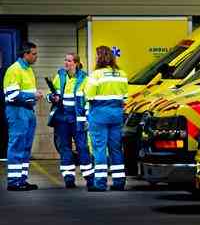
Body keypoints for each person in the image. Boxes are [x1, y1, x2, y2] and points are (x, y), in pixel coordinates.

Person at [47, 53, 94, 189]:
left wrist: (87, 119)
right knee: (65, 148)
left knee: (83, 148)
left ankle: (89, 179)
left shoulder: (84, 79)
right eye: (65, 60)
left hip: (77, 120)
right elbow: (50, 95)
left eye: (69, 61)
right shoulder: (60, 76)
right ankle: (68, 179)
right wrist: (52, 97)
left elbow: (88, 101)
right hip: (62, 119)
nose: (66, 63)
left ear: (76, 63)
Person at [86, 45, 128, 191]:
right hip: (116, 114)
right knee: (116, 148)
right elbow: (125, 96)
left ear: (99, 58)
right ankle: (119, 182)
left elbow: (89, 96)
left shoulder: (96, 75)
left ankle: (100, 183)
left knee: (99, 148)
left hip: (99, 114)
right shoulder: (122, 74)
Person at [3, 42, 43, 191]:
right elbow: (12, 95)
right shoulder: (14, 70)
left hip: (27, 111)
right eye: (34, 54)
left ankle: (22, 180)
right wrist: (32, 95)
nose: (36, 56)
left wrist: (34, 97)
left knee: (26, 147)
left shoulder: (28, 70)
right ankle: (14, 182)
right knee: (17, 145)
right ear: (25, 54)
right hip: (17, 111)